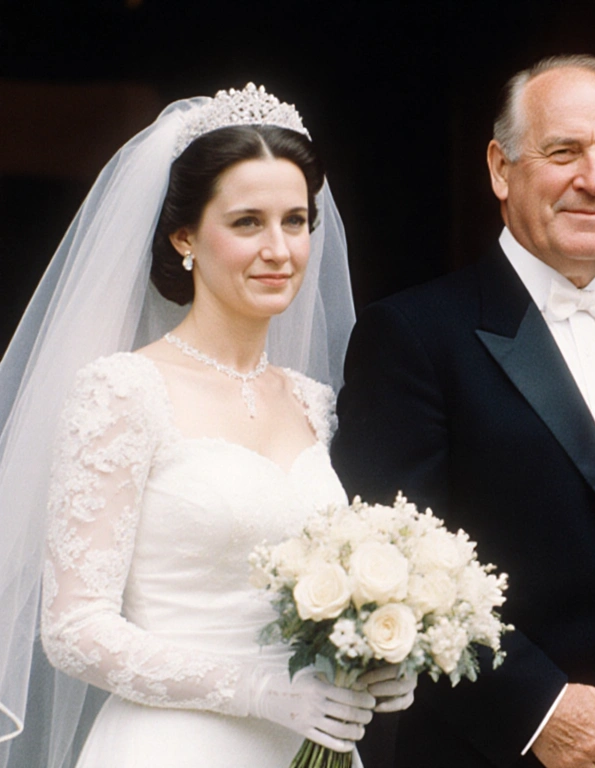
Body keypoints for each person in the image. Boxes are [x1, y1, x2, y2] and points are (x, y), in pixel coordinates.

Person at [0, 85, 415, 768]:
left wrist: (376, 655)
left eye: (295, 220)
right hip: (173, 746)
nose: (279, 248)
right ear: (184, 235)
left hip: (308, 745)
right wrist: (257, 691)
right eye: (248, 222)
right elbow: (74, 629)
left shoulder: (312, 401)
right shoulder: (124, 391)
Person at [331, 55, 595, 768]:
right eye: (564, 152)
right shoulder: (414, 336)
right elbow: (389, 569)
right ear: (501, 170)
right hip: (503, 747)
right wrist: (535, 709)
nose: (593, 180)